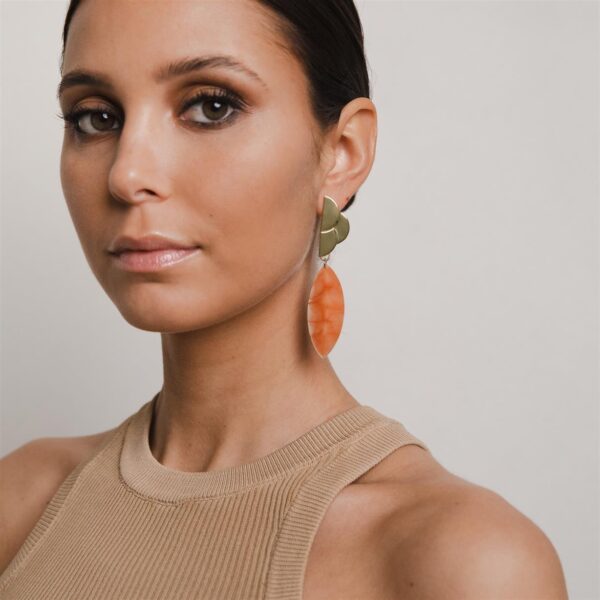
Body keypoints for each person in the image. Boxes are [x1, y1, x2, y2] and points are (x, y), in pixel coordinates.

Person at [0, 0, 568, 598]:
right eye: (95, 117)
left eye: (210, 106)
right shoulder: (25, 498)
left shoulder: (464, 562)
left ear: (342, 152)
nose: (126, 174)